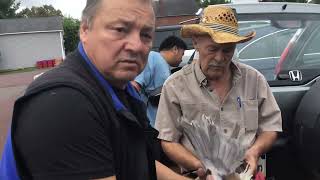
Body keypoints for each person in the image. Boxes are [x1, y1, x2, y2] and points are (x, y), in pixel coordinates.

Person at [0, 0, 193, 179]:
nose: (136, 46)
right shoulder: (64, 104)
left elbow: (138, 159)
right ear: (84, 30)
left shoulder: (122, 89)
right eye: (120, 29)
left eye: (145, 35)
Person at [155, 5, 282, 179]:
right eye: (213, 49)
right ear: (196, 42)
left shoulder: (254, 80)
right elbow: (168, 141)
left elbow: (271, 127)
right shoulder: (175, 86)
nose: (220, 58)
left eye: (228, 50)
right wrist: (203, 168)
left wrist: (254, 151)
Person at [131, 35, 187, 126]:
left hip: (159, 124)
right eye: (182, 53)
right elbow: (134, 86)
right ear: (175, 49)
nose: (182, 58)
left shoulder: (165, 66)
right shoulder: (152, 57)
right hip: (147, 122)